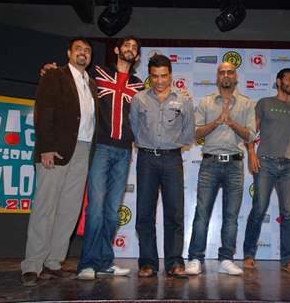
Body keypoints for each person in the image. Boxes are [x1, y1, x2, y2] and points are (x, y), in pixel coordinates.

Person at [20, 38, 98, 286]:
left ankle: (53, 263)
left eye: (87, 51)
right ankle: (32, 265)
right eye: (79, 49)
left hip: (84, 150)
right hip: (56, 150)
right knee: (45, 207)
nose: (83, 53)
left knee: (69, 210)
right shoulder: (55, 75)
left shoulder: (92, 84)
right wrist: (46, 148)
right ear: (69, 53)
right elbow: (43, 111)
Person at [76, 37, 144, 279]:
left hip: (124, 152)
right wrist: (52, 72)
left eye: (134, 48)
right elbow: (77, 78)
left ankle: (105, 261)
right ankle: (87, 263)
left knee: (113, 211)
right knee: (95, 208)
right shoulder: (100, 74)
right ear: (117, 50)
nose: (130, 50)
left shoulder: (138, 86)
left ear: (136, 57)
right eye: (126, 45)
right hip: (102, 149)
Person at [185, 62, 256, 276]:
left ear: (236, 77)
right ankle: (195, 258)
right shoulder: (206, 101)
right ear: (217, 77)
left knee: (231, 216)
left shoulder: (247, 104)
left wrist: (232, 123)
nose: (226, 75)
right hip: (209, 163)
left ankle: (226, 259)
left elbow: (251, 135)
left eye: (230, 72)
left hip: (235, 164)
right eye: (222, 72)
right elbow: (196, 133)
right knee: (202, 213)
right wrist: (216, 122)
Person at [129, 54, 195, 278]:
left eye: (164, 76)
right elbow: (135, 129)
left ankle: (175, 262)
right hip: (146, 159)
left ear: (170, 75)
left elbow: (188, 133)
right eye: (155, 76)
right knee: (144, 213)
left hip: (172, 159)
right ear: (150, 76)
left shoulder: (184, 100)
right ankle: (147, 263)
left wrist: (172, 146)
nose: (159, 81)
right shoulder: (139, 99)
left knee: (174, 212)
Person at [242, 68, 290, 273]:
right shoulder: (264, 103)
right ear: (278, 81)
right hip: (265, 164)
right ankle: (249, 255)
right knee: (259, 209)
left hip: (288, 166)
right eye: (288, 79)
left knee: (288, 214)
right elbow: (252, 131)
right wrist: (251, 153)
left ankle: (288, 260)